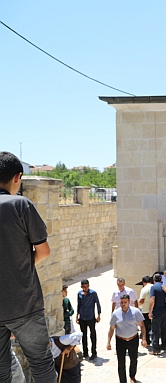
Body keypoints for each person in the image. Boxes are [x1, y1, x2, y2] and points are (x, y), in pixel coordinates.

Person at [0, 151, 58, 383]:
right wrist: (19, 265)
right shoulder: (20, 204)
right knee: (42, 364)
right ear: (17, 177)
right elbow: (43, 251)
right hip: (25, 304)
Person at [107, 294, 147, 383]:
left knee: (133, 359)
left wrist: (144, 339)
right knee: (121, 362)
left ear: (129, 302)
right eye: (121, 302)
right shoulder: (115, 314)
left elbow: (142, 326)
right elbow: (111, 328)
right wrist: (108, 342)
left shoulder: (136, 312)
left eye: (125, 302)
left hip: (133, 339)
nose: (123, 304)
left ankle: (132, 376)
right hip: (120, 340)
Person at [76, 279, 101, 361]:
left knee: (92, 334)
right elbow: (78, 305)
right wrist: (77, 316)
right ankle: (85, 352)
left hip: (90, 317)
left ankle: (94, 352)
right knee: (83, 335)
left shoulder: (93, 293)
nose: (86, 288)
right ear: (81, 287)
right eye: (84, 287)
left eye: (87, 286)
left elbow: (97, 303)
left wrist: (99, 315)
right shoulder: (79, 294)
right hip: (82, 317)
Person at [148, 273, 166, 355]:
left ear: (154, 279)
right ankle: (164, 345)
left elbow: (152, 300)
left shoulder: (153, 287)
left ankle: (155, 348)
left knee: (155, 330)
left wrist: (150, 312)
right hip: (164, 309)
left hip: (157, 311)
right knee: (164, 329)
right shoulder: (164, 287)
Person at [136, 275, 153, 344]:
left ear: (143, 282)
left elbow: (141, 301)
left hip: (146, 310)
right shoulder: (154, 287)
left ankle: (147, 340)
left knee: (145, 326)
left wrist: (137, 305)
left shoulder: (144, 289)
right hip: (154, 310)